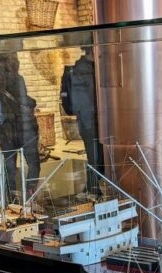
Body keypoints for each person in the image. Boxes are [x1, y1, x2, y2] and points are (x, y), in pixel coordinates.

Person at [0, 53, 40, 200]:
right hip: (24, 129)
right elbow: (23, 101)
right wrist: (31, 103)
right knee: (33, 163)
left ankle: (12, 201)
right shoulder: (17, 80)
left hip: (7, 132)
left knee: (10, 169)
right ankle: (29, 198)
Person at [64, 46, 103, 197]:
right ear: (93, 49)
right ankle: (93, 190)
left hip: (96, 122)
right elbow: (82, 103)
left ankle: (92, 188)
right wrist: (90, 124)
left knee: (98, 158)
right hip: (91, 123)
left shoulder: (91, 68)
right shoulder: (82, 71)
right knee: (95, 158)